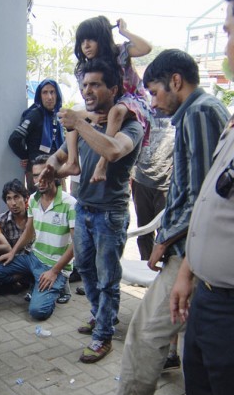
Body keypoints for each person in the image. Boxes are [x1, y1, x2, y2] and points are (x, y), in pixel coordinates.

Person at [84, 49, 229, 395]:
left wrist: (165, 240)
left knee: (147, 332)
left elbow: (202, 195)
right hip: (196, 251)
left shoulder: (199, 113)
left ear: (176, 82)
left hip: (192, 253)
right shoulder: (204, 111)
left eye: (154, 91)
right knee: (196, 338)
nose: (152, 100)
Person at [167, 0, 234, 395]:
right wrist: (188, 269)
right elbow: (212, 200)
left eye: (231, 32)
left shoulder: (202, 112)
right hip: (208, 298)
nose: (226, 46)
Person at [42, 58, 144, 363]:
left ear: (113, 88)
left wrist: (81, 124)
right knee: (85, 269)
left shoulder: (132, 126)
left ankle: (103, 337)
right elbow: (61, 155)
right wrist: (50, 166)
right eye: (85, 84)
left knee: (107, 278)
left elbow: (112, 150)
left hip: (109, 214)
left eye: (95, 84)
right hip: (83, 208)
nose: (88, 90)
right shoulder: (86, 124)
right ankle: (102, 317)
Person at [62, 16, 152, 183]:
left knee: (116, 111)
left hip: (131, 100)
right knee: (73, 113)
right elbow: (88, 100)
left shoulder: (119, 53)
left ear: (102, 39)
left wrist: (125, 32)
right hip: (104, 104)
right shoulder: (84, 68)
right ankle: (72, 162)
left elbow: (146, 48)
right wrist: (89, 115)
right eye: (82, 41)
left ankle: (102, 164)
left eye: (91, 40)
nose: (86, 45)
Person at [0, 156, 76, 320]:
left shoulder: (70, 204)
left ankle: (57, 285)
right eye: (35, 175)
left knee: (38, 311)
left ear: (54, 175)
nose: (40, 180)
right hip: (33, 258)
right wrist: (13, 253)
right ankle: (37, 282)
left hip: (54, 266)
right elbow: (29, 231)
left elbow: (78, 244)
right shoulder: (34, 199)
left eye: (44, 174)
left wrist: (55, 271)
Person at [131, 114, 175, 260]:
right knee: (144, 229)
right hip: (141, 179)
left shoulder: (176, 114)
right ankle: (146, 264)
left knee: (165, 230)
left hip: (166, 183)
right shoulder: (142, 109)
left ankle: (164, 267)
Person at [9, 79, 65, 193]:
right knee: (38, 205)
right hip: (37, 171)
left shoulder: (57, 115)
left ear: (57, 94)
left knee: (61, 203)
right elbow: (14, 139)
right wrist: (25, 156)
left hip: (56, 169)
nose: (49, 97)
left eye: (52, 92)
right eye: (45, 92)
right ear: (39, 95)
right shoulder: (34, 114)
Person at [0, 179, 32, 252]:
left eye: (16, 197)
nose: (13, 203)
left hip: (35, 259)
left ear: (26, 198)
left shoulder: (35, 217)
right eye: (9, 198)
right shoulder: (1, 221)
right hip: (14, 260)